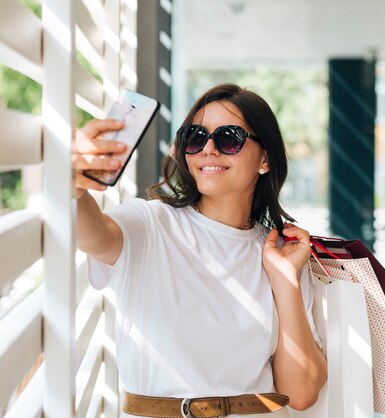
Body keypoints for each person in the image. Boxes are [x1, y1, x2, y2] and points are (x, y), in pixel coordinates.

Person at [73, 84, 327, 417]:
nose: (208, 149)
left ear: (264, 158)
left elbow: (302, 392)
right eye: (195, 136)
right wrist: (72, 186)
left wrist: (284, 281)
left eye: (229, 137)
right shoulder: (150, 224)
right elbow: (94, 235)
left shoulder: (281, 255)